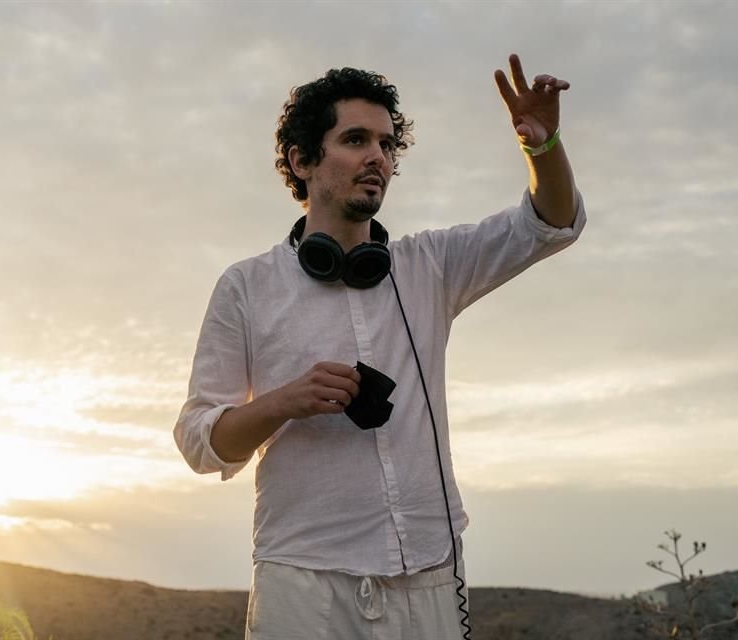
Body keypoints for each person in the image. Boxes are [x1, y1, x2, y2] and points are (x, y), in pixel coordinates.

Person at [174, 54, 586, 639]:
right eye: (356, 139)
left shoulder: (432, 266)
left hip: (430, 577)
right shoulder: (246, 287)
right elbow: (199, 442)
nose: (378, 157)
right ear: (302, 161)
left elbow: (550, 223)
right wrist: (284, 401)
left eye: (388, 145)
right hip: (304, 586)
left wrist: (543, 149)